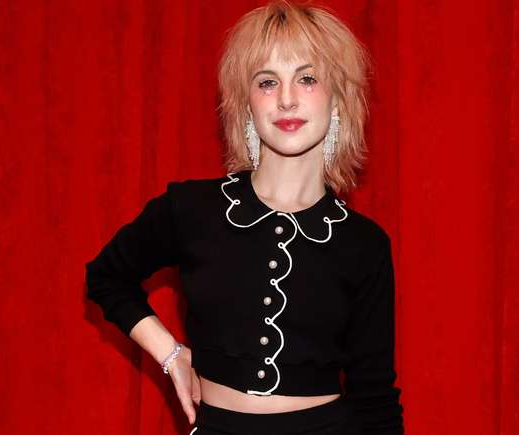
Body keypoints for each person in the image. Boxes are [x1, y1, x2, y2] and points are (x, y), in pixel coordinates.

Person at [84, 1, 404, 434]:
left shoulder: (364, 244)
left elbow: (375, 397)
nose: (287, 99)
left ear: (338, 101)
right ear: (246, 105)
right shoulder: (191, 209)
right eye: (267, 82)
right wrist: (170, 354)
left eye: (307, 78)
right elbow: (106, 276)